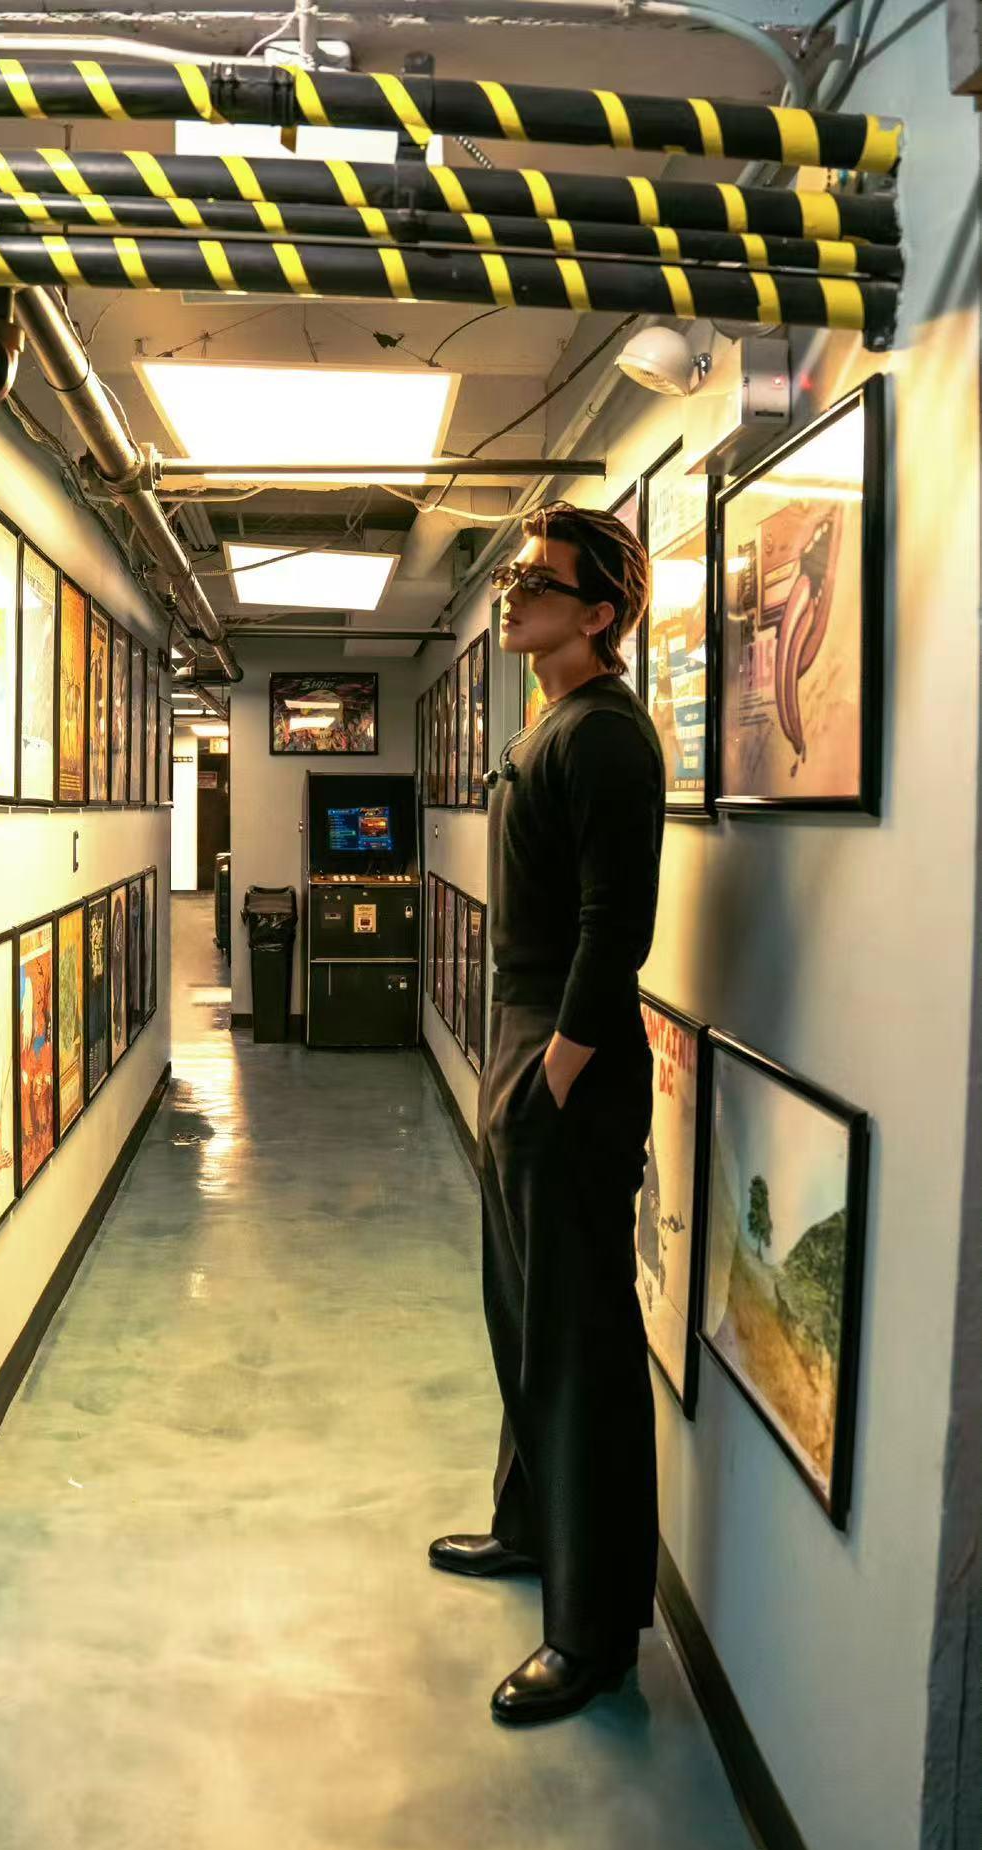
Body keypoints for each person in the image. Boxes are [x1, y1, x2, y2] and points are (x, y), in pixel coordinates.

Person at [429, 500, 663, 1726]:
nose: (513, 592)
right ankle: (529, 1528)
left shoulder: (607, 736)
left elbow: (614, 928)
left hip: (565, 1057)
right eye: (515, 575)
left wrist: (556, 1071)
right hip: (525, 1037)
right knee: (521, 1312)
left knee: (578, 1347)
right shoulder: (553, 723)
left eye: (540, 580)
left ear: (599, 612)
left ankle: (593, 1633)